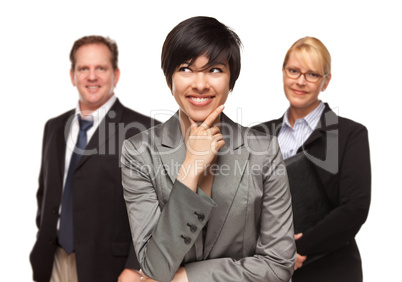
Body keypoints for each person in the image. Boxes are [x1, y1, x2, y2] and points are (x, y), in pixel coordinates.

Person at [121, 16, 296, 282]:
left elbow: (278, 266)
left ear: (231, 79)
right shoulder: (138, 152)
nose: (200, 84)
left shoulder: (264, 151)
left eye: (214, 69)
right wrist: (191, 167)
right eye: (186, 69)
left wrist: (186, 277)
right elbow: (154, 267)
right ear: (170, 78)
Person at [30, 35, 158, 282]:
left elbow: (157, 208)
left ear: (116, 75)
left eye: (101, 68)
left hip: (111, 268)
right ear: (72, 76)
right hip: (52, 261)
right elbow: (45, 193)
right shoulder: (54, 127)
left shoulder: (144, 131)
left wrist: (134, 266)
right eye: (83, 68)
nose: (92, 76)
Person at [253, 37, 371, 282]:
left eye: (312, 75)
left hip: (329, 269)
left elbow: (354, 208)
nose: (300, 81)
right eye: (293, 71)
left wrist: (298, 247)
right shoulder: (256, 135)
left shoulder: (348, 134)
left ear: (326, 81)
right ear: (284, 73)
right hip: (264, 270)